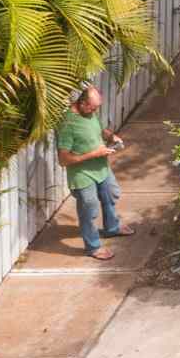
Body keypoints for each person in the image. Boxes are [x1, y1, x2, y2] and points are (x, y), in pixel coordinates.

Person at [54, 82, 128, 260]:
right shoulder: (68, 124)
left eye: (97, 108)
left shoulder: (90, 113)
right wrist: (94, 154)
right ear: (82, 103)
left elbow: (100, 129)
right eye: (93, 108)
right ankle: (93, 247)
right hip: (82, 175)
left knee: (111, 194)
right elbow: (63, 160)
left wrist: (111, 136)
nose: (95, 111)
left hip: (101, 167)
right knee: (89, 209)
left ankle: (112, 228)